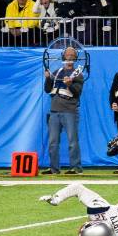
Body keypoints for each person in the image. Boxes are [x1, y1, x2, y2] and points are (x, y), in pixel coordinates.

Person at [42, 47, 84, 175]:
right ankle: (54, 169)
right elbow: (48, 90)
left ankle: (75, 168)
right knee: (53, 142)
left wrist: (70, 84)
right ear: (63, 56)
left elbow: (77, 93)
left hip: (70, 111)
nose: (69, 57)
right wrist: (48, 78)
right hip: (54, 111)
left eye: (72, 55)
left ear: (75, 57)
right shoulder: (57, 71)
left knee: (72, 141)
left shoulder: (78, 74)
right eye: (67, 54)